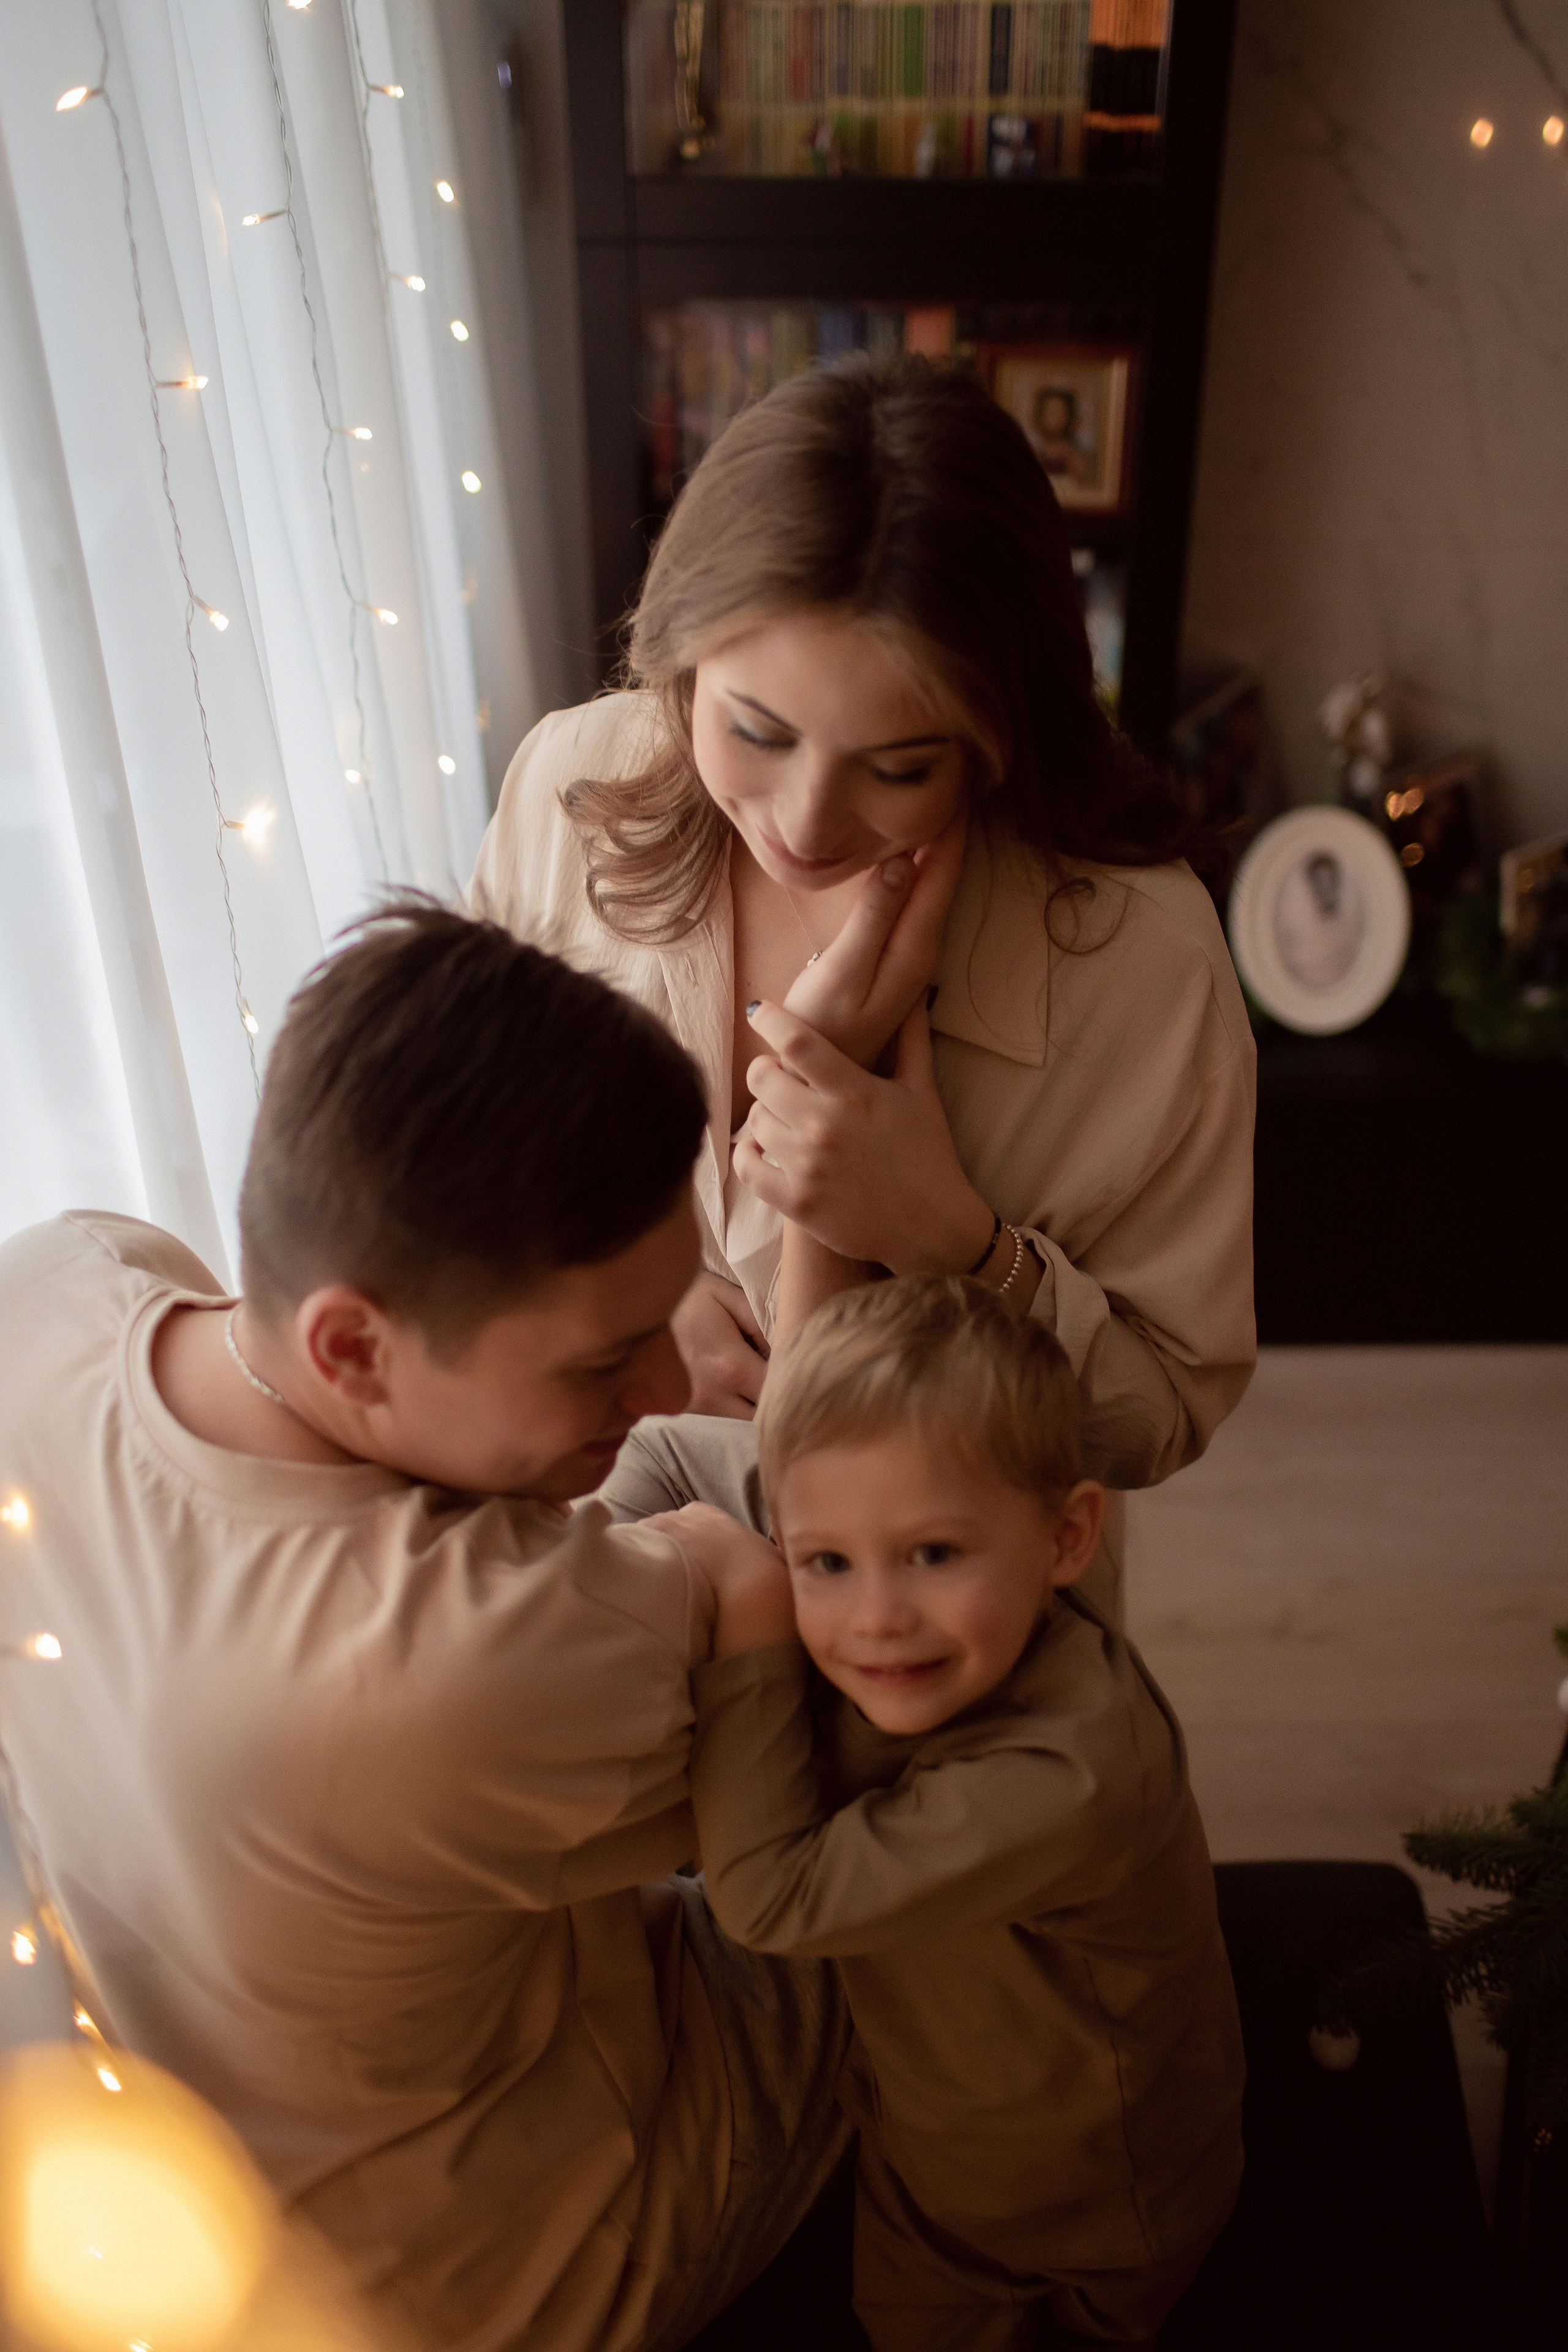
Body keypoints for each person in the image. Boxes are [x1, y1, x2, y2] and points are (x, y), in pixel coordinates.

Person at [0, 902, 853, 2352]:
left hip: (172, 2211)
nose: (667, 1376)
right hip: (512, 2278)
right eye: (602, 1356)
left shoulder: (51, 1285)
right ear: (349, 1345)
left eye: (676, 1308)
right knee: (966, 1757)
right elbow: (756, 1611)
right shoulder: (446, 1667)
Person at [467, 355, 1256, 1616]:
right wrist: (631, 1293)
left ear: (1001, 728)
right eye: (756, 733)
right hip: (572, 1585)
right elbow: (466, 1145)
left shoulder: (1140, 959)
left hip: (934, 1655)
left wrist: (954, 1245)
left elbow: (1160, 1413)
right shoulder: (572, 785)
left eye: (896, 765)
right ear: (678, 657)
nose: (803, 820)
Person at [668, 1276, 1245, 2352]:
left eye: (934, 1555)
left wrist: (753, 1613)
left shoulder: (1073, 1773)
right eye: (826, 1564)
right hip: (921, 2159)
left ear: (1069, 1536)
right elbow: (664, 1455)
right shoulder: (883, 1552)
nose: (879, 1618)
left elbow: (768, 1897)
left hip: (1098, 2202)